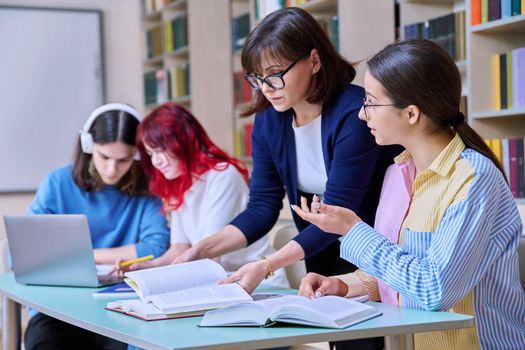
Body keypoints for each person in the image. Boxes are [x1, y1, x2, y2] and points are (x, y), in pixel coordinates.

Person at [172, 8, 397, 349]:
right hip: (316, 250)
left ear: (315, 60)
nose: (267, 88)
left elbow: (338, 212)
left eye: (276, 75)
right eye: (257, 78)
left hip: (374, 249)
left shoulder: (354, 112)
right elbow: (262, 206)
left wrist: (265, 266)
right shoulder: (268, 122)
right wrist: (200, 250)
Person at [293, 39, 525, 350]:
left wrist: (353, 230)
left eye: (371, 103)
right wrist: (343, 285)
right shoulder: (397, 174)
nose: (363, 115)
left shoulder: (473, 178)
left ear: (412, 113)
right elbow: (398, 273)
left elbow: (433, 289)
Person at [24, 103, 170, 350]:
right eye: (104, 157)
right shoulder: (58, 183)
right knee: (44, 344)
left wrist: (84, 256)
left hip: (121, 304)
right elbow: (30, 246)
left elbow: (155, 248)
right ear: (88, 146)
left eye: (123, 160)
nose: (112, 169)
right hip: (57, 305)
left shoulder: (148, 191)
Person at [118, 102, 288, 288]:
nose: (156, 161)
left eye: (160, 150)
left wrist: (160, 275)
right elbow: (179, 249)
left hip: (260, 282)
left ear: (183, 141)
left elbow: (208, 254)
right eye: (151, 153)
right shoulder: (178, 182)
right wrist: (150, 267)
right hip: (223, 282)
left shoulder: (222, 175)